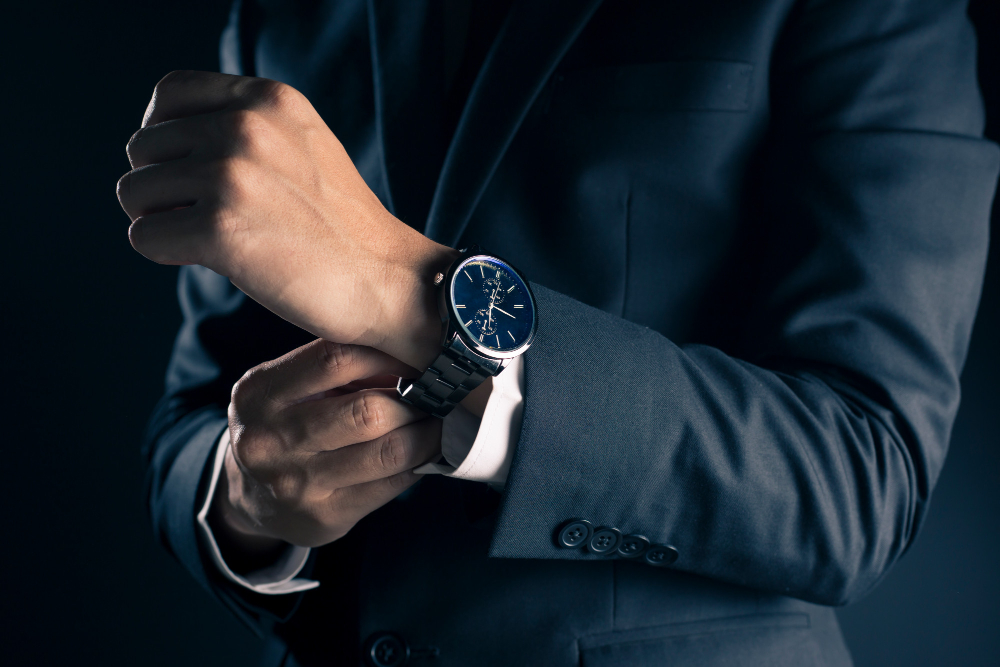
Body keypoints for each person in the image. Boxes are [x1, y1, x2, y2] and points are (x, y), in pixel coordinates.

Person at [118, 0, 999, 665]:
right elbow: (192, 416)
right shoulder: (280, 13)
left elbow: (861, 476)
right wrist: (244, 502)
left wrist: (411, 293)